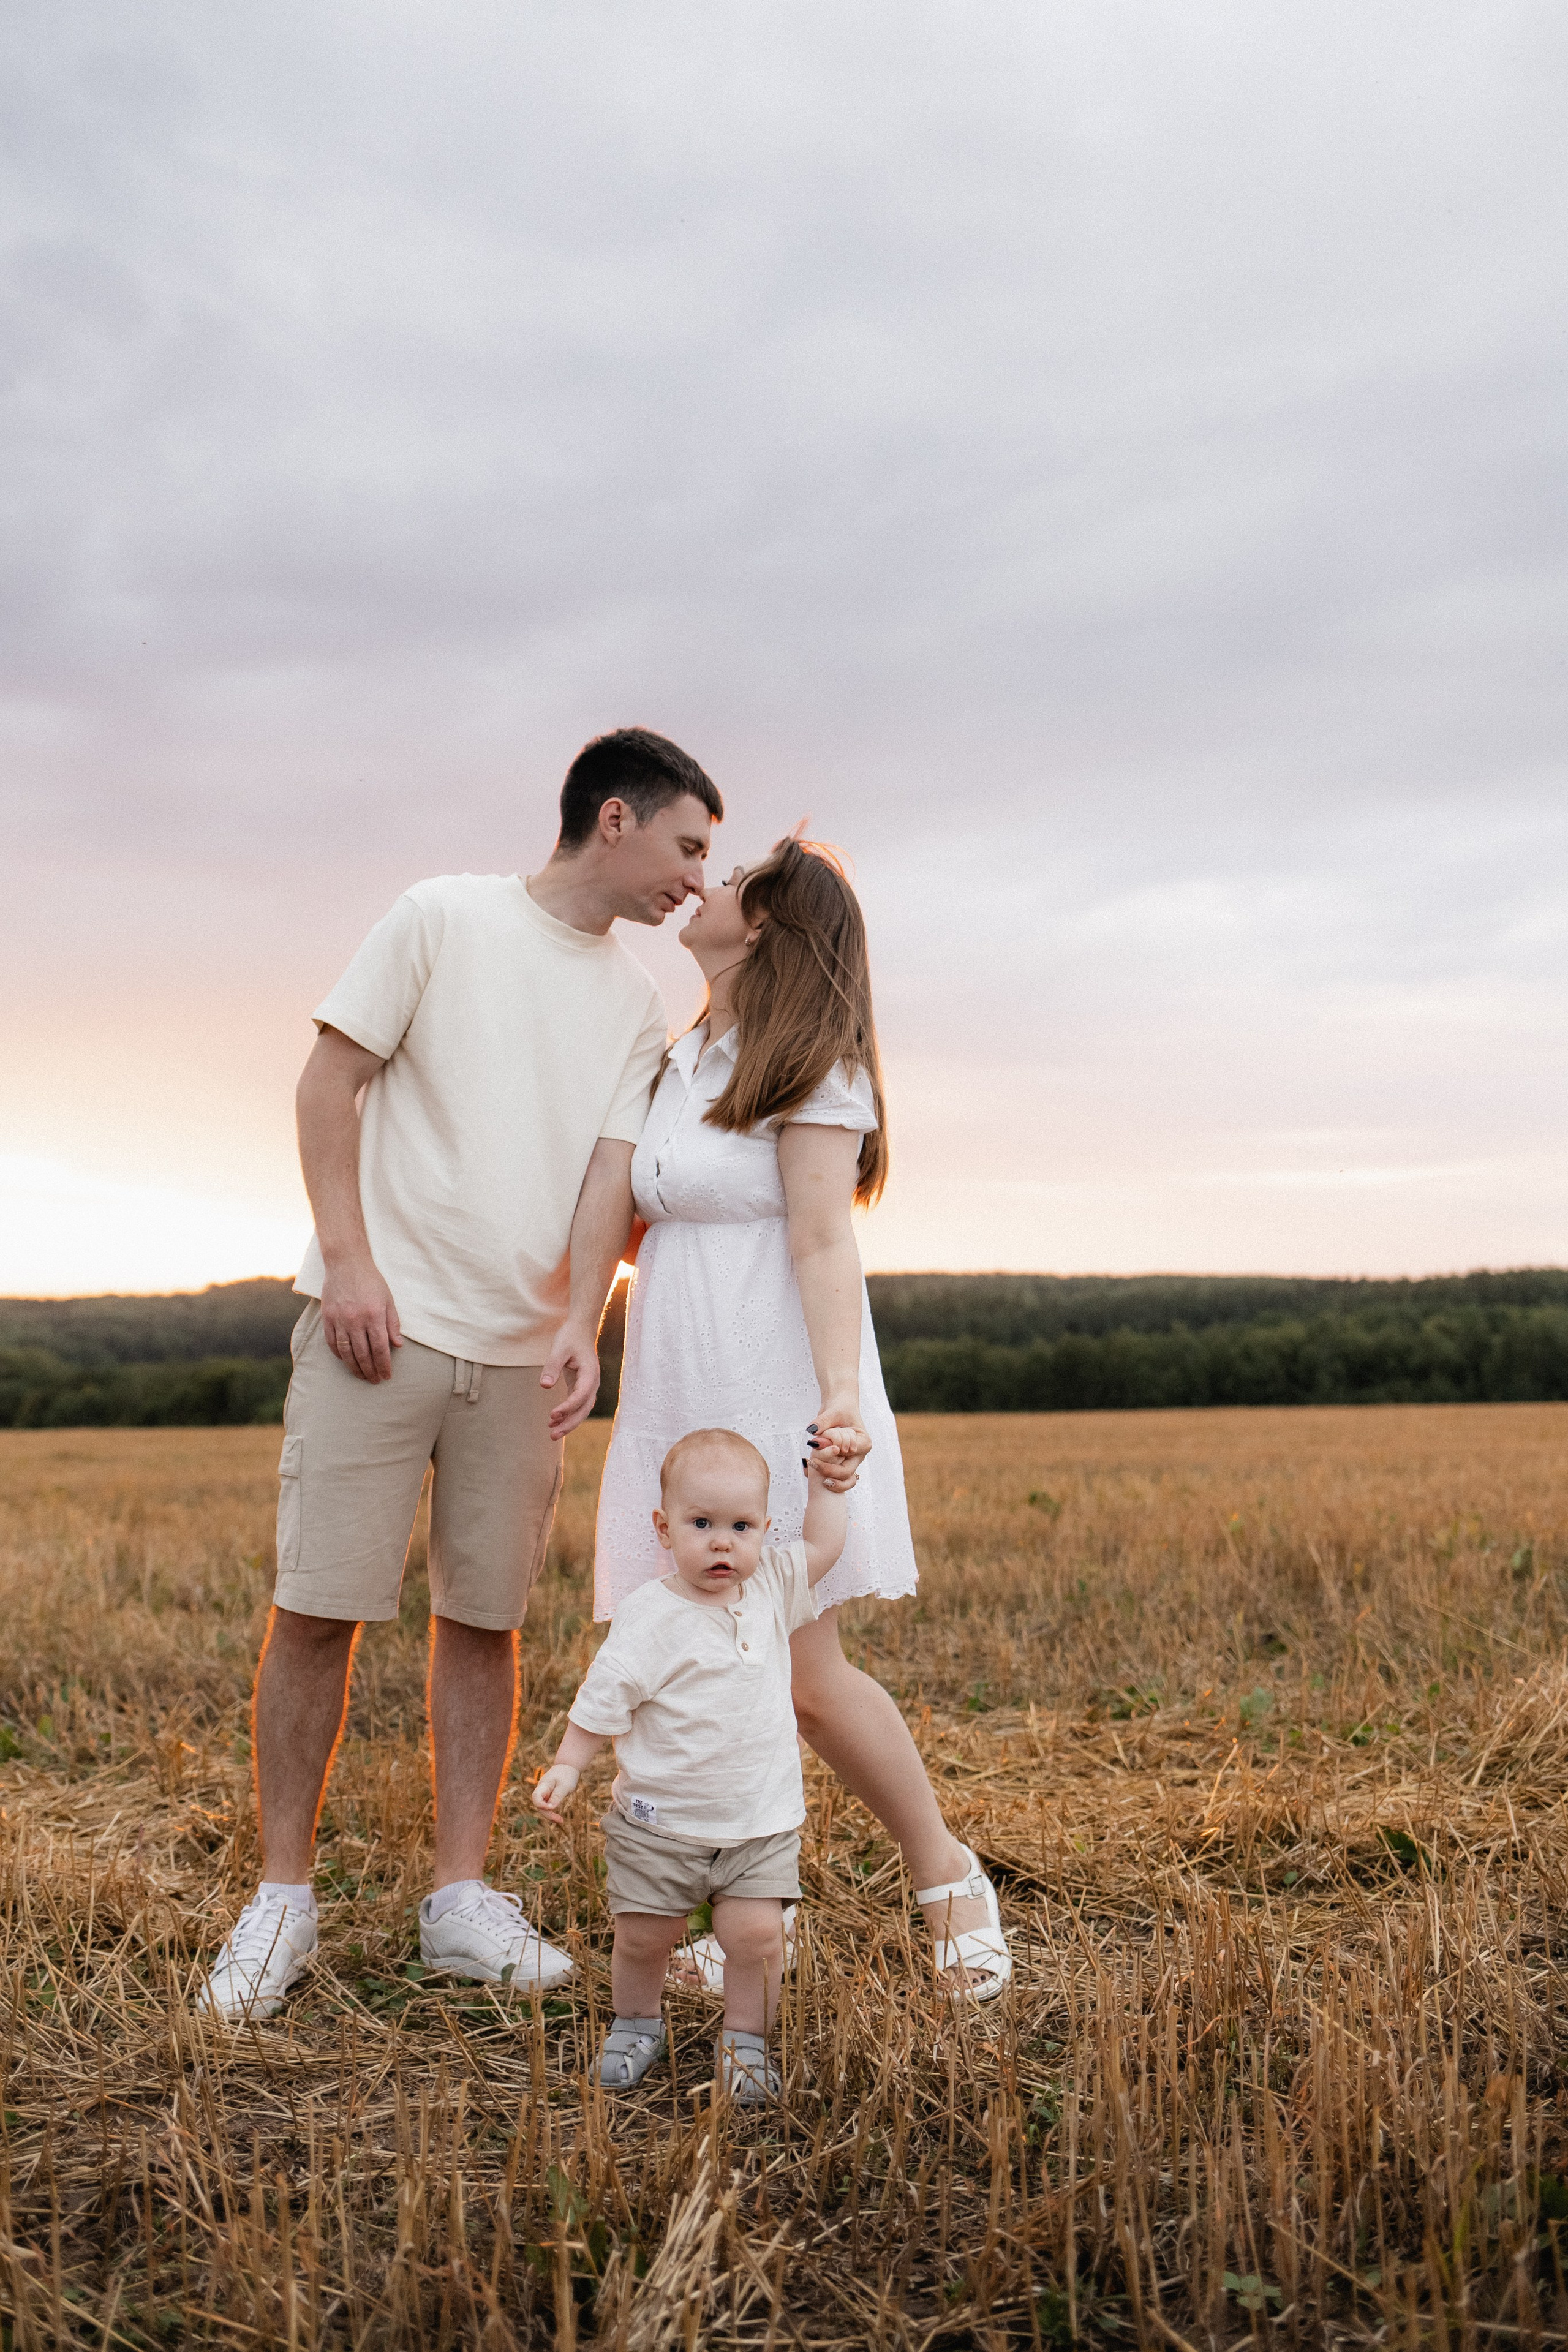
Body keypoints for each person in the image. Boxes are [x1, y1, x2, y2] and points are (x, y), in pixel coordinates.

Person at [202, 728, 722, 2024]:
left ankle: (460, 1902)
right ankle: (280, 1904)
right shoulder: (439, 917)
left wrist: (584, 1322)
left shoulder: (631, 1008)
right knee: (319, 1608)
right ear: (616, 820)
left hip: (519, 1357)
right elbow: (330, 1081)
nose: (698, 884)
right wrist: (348, 1260)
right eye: (689, 847)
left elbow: (611, 1177)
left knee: (484, 1625)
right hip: (376, 1325)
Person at [593, 836, 1011, 2000]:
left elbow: (825, 1238)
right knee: (702, 1667)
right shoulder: (681, 1060)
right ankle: (743, 1917)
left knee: (802, 1670)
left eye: (731, 878)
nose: (704, 884)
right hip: (678, 1379)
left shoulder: (812, 1064)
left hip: (770, 1377)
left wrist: (836, 1399)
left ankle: (948, 1879)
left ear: (768, 925)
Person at [533, 1427, 851, 2103]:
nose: (720, 1542)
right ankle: (636, 2022)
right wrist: (569, 1763)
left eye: (740, 1526)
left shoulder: (770, 1586)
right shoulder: (650, 1615)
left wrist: (827, 1484)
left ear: (764, 1529)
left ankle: (745, 2041)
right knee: (645, 1935)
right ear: (663, 1527)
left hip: (757, 1824)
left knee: (757, 1937)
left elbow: (824, 1546)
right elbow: (604, 1699)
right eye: (700, 1523)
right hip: (660, 1824)